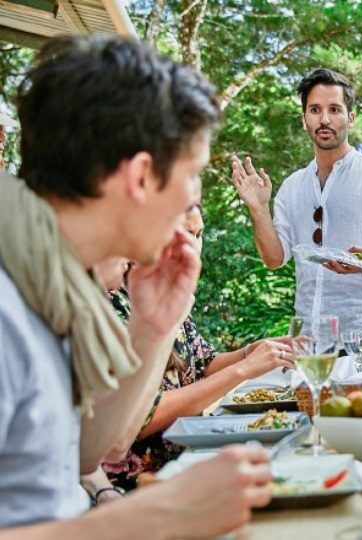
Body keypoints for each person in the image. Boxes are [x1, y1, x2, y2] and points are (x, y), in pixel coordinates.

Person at [0, 36, 271, 537]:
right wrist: (159, 515)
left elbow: (87, 450)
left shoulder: (54, 281)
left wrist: (152, 325)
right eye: (192, 176)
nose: (194, 201)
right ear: (142, 176)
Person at [102, 206, 295, 490]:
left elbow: (204, 364)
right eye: (184, 234)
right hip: (138, 484)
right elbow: (142, 415)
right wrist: (243, 370)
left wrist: (252, 351)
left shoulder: (167, 289)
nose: (194, 245)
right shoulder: (112, 304)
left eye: (199, 234)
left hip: (187, 458)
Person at [230, 67, 362, 330]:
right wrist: (258, 207)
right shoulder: (291, 187)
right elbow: (274, 259)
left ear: (350, 118)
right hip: (309, 340)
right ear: (304, 119)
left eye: (334, 109)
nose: (325, 119)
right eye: (315, 110)